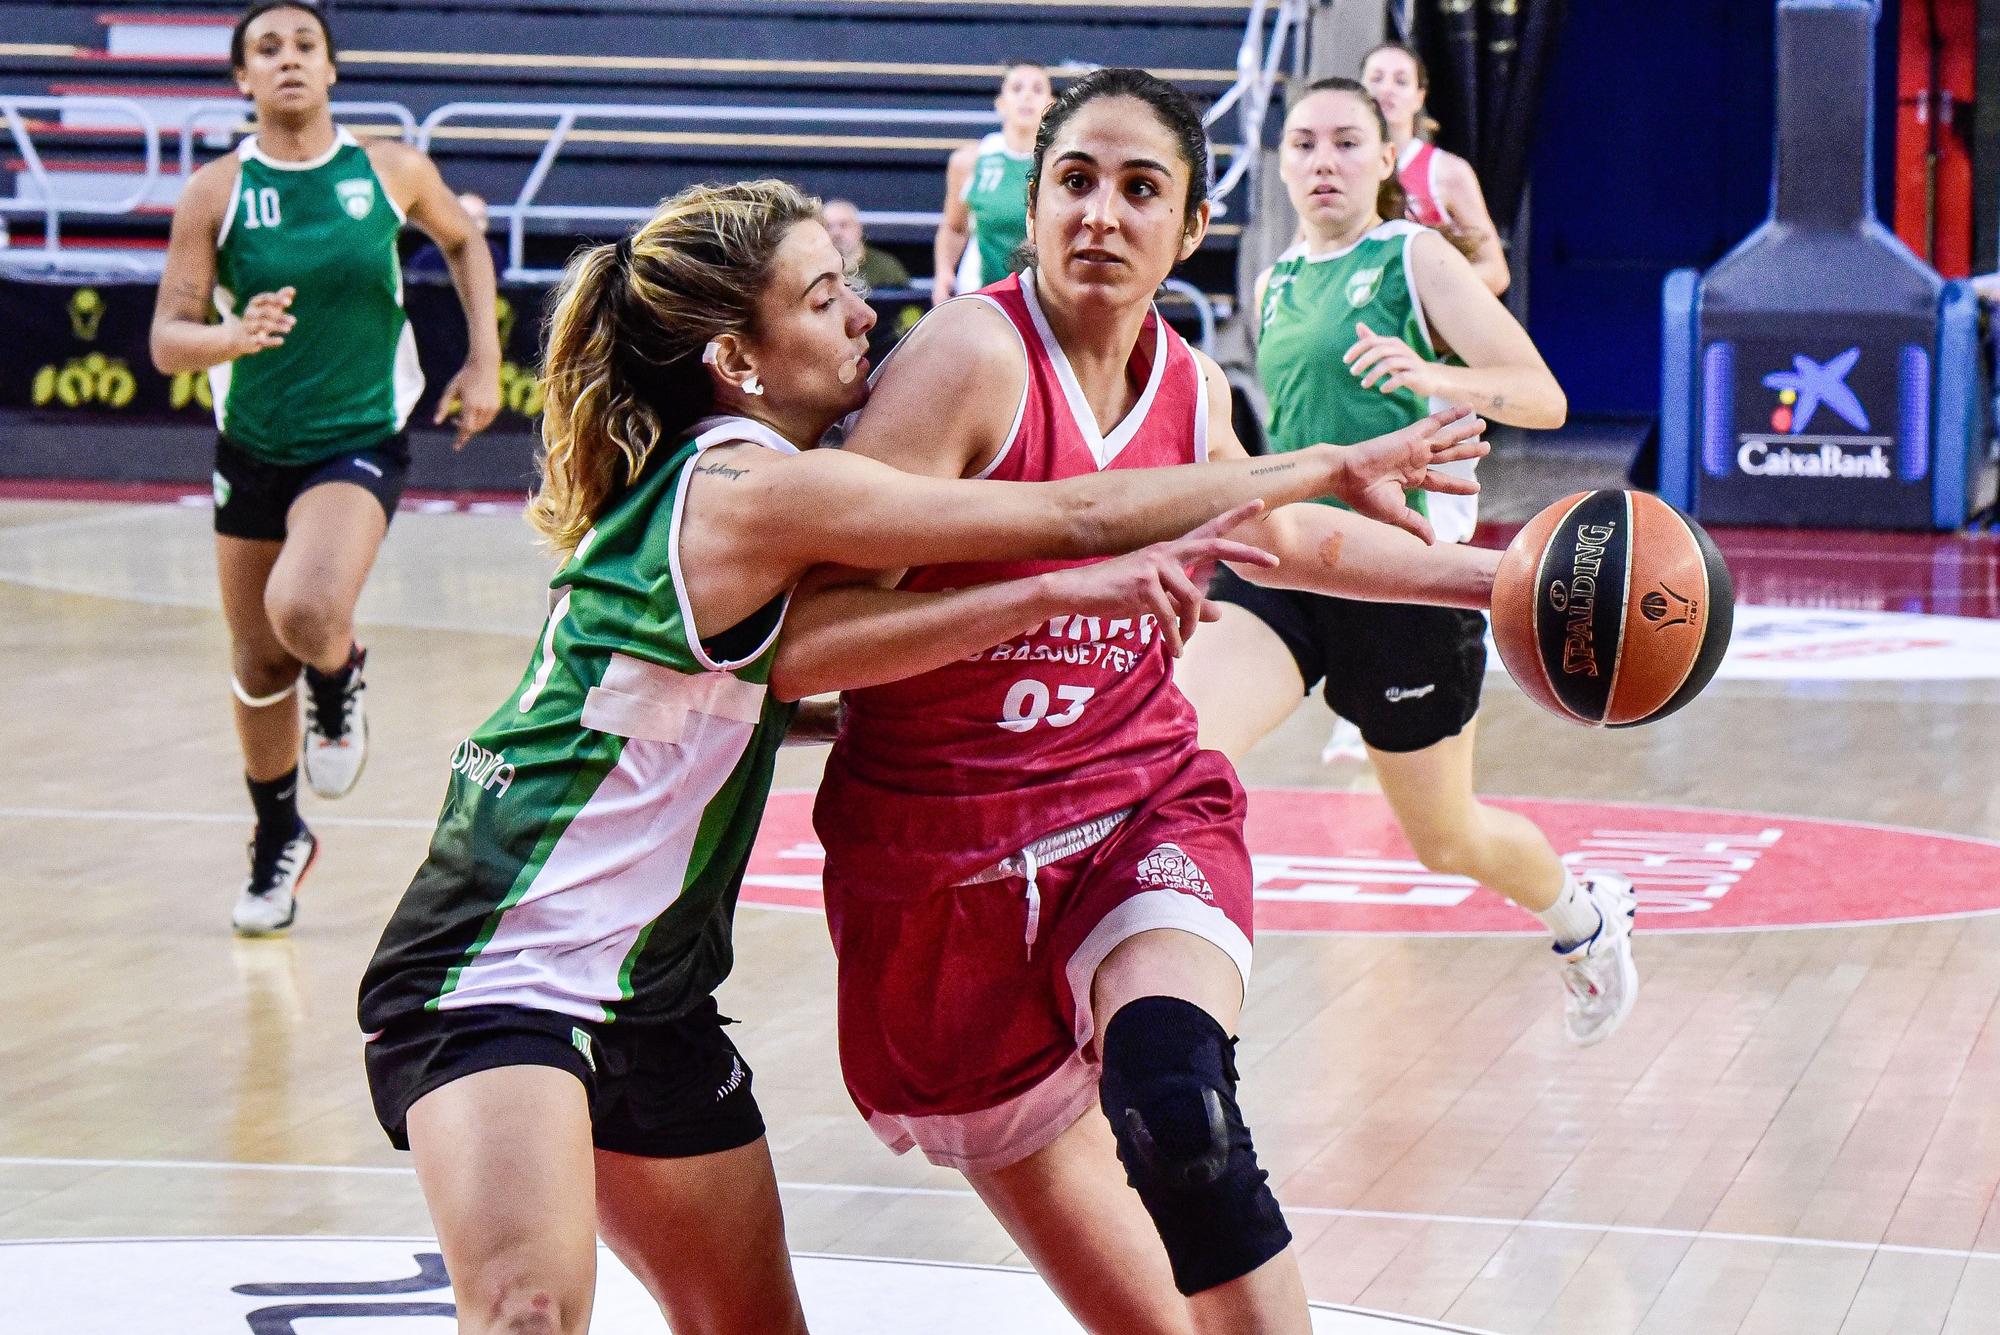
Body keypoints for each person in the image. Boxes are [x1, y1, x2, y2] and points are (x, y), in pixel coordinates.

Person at [356, 177, 1487, 1335]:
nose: (864, 316)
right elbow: (1074, 518)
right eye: (823, 296)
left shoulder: (741, 490)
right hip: (494, 964)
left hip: (653, 992)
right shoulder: (754, 489)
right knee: (529, 1310)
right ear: (737, 360)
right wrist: (1311, 464)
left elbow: (751, 693)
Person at [776, 69, 1507, 1335]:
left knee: (1179, 1103)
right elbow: (807, 645)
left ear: (1191, 229)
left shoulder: (1186, 383)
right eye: (1073, 181)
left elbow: (1284, 535)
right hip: (943, 860)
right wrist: (1040, 598)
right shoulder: (967, 359)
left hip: (1131, 807)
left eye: (1137, 188)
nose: (1099, 214)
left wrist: (1491, 581)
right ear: (1030, 207)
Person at [1178, 77, 1638, 1048]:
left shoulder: (1411, 255)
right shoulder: (1273, 279)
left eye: (1347, 143)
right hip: (1284, 566)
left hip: (1403, 582)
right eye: (1302, 145)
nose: (1322, 162)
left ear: (1387, 161)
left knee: (1444, 839)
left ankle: (1584, 920)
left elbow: (1538, 396)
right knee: (1174, 755)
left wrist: (1431, 375)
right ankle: (1153, 1007)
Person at [149, 0, 500, 936]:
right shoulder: (216, 192)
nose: (290, 60)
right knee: (258, 662)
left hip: (359, 435)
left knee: (303, 611)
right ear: (242, 81)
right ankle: (279, 841)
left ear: (333, 70)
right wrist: (230, 334)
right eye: (268, 49)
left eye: (306, 45)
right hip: (252, 444)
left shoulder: (387, 169)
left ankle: (340, 681)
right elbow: (167, 341)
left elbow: (463, 242)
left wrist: (483, 361)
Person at [1361, 42, 1510, 296]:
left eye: (1400, 81)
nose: (1386, 89)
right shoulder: (1342, 167)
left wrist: (1413, 294)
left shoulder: (1447, 171)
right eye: (1376, 78)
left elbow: (1495, 272)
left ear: (1419, 98)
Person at [932, 60, 1052, 305]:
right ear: (1000, 103)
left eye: (1037, 89)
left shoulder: (1059, 163)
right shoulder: (970, 160)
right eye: (1017, 88)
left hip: (1042, 294)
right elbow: (954, 228)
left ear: (1051, 106)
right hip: (980, 289)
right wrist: (943, 273)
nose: (1027, 96)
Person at [406, 190, 507, 279]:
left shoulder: (494, 255)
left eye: (479, 218)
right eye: (466, 217)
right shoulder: (425, 258)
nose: (473, 226)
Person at [823, 197, 911, 291]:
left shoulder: (886, 268)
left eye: (843, 225)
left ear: (859, 228)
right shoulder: (810, 269)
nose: (836, 233)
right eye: (828, 226)